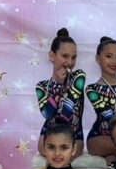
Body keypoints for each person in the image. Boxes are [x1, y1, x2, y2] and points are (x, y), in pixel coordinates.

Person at [35, 28, 86, 157]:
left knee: (64, 152)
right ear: (52, 55)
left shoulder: (78, 77)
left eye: (73, 57)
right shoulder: (42, 87)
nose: (70, 62)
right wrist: (56, 84)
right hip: (49, 133)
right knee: (51, 150)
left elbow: (66, 111)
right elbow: (48, 114)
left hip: (74, 135)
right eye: (65, 56)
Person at [86, 36, 116, 163]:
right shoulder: (92, 89)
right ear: (98, 59)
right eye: (108, 56)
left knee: (112, 158)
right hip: (98, 138)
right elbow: (109, 117)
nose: (114, 61)